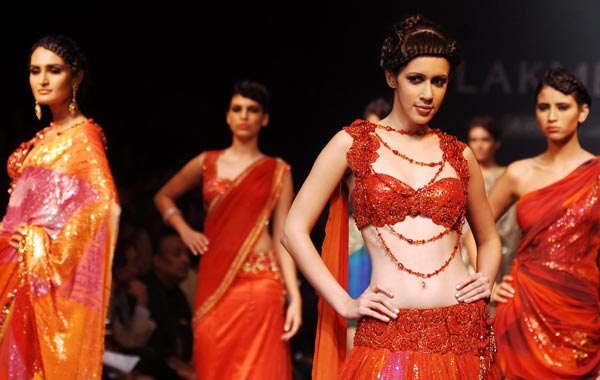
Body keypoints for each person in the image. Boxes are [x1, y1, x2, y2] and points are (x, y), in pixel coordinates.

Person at [281, 14, 501, 380]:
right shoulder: (352, 144)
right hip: (388, 333)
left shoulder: (459, 154)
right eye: (415, 79)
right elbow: (292, 230)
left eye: (439, 81)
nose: (428, 93)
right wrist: (344, 301)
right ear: (391, 78)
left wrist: (487, 278)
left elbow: (489, 239)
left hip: (462, 332)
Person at [154, 79, 302, 379]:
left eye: (252, 110)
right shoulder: (206, 162)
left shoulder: (277, 171)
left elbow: (283, 237)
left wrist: (295, 295)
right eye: (237, 109)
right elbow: (163, 196)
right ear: (228, 116)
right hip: (215, 279)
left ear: (265, 118)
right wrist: (185, 230)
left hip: (262, 282)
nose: (244, 116)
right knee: (212, 363)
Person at [0, 34, 120, 379]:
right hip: (13, 276)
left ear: (76, 77)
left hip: (44, 279)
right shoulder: (41, 139)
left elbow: (106, 208)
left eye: (54, 70)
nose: (42, 79)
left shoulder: (84, 137)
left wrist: (43, 243)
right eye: (35, 70)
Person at [487, 67, 600, 379]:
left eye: (562, 107)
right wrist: (487, 282)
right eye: (543, 107)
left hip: (581, 313)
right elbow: (472, 227)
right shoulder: (519, 173)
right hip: (522, 307)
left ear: (583, 112)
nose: (552, 116)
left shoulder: (597, 174)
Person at [346, 96, 391, 354]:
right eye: (368, 127)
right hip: (356, 249)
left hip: (388, 249)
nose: (372, 134)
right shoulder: (352, 166)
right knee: (354, 320)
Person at [463, 116, 520, 282]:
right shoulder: (460, 176)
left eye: (485, 140)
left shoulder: (507, 176)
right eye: (473, 140)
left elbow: (511, 223)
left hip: (503, 251)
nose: (479, 145)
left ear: (496, 143)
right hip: (464, 252)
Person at [141, 229, 195, 380]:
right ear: (157, 261)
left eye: (186, 253)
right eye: (177, 254)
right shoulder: (145, 292)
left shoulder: (179, 295)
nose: (185, 260)